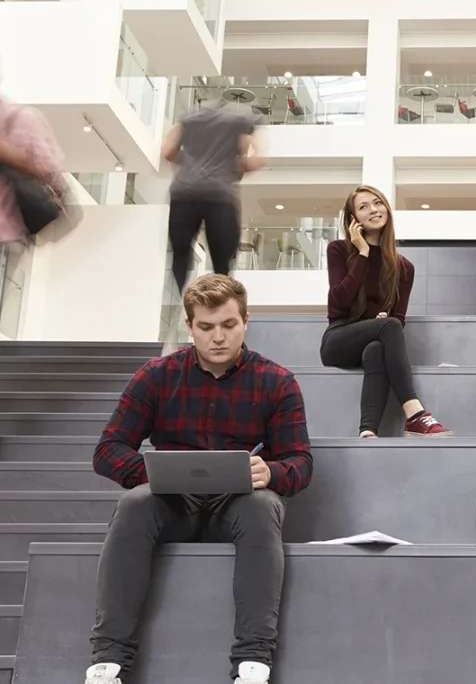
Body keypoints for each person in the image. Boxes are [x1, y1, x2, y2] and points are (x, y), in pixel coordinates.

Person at [85, 274, 313, 684]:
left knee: (263, 506)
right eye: (206, 327)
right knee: (135, 503)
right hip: (171, 504)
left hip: (239, 505)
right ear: (189, 327)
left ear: (246, 321)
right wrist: (154, 474)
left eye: (229, 325)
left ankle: (252, 663)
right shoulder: (155, 376)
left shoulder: (277, 381)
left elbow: (300, 462)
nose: (219, 337)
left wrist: (273, 471)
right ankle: (108, 663)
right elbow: (107, 451)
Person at [319, 185, 452, 438]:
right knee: (388, 326)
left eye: (377, 203)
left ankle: (368, 430)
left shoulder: (404, 268)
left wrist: (381, 321)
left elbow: (398, 319)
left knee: (378, 347)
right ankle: (415, 414)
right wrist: (363, 254)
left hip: (372, 340)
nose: (373, 210)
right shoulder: (338, 250)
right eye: (363, 207)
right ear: (353, 220)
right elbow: (338, 302)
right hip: (338, 339)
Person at [161, 102, 266, 299]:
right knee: (222, 264)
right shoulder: (239, 122)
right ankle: (220, 306)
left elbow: (167, 151)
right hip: (220, 195)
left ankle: (179, 303)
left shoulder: (188, 119)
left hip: (183, 192)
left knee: (180, 255)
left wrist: (189, 163)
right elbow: (253, 159)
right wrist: (234, 165)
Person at [0, 97, 66, 244]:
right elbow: (52, 173)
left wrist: (10, 156)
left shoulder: (22, 120)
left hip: (10, 236)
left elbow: (48, 171)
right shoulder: (24, 118)